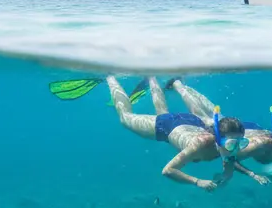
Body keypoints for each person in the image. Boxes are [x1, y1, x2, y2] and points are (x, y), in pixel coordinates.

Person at [106, 76, 247, 190]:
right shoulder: (199, 145)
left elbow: (229, 161)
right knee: (125, 118)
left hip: (194, 122)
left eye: (242, 143)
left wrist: (226, 176)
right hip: (168, 126)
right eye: (232, 144)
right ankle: (110, 77)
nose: (236, 149)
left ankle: (153, 77)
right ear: (217, 139)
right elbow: (168, 170)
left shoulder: (228, 148)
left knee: (164, 111)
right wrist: (197, 181)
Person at [167, 78, 272, 183]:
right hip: (240, 132)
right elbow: (231, 158)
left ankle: (185, 87)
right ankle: (178, 85)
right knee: (203, 115)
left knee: (215, 113)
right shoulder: (257, 145)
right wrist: (252, 175)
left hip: (245, 131)